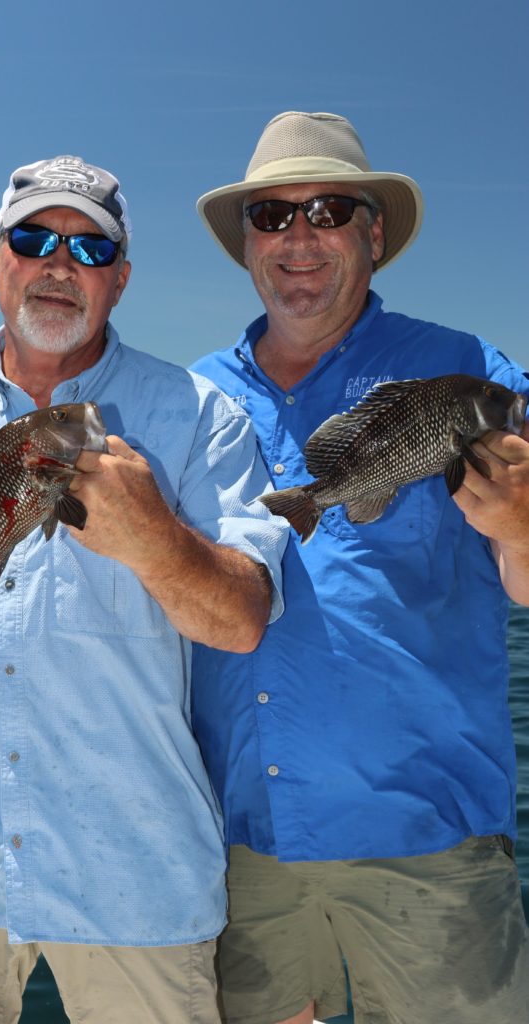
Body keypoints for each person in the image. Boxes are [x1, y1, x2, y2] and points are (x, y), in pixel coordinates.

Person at [0, 154, 289, 1024]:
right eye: (33, 238)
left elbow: (240, 621)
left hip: (137, 872)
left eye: (89, 250)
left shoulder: (197, 417)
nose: (59, 263)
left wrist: (151, 534)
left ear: (119, 280)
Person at [190, 111, 529, 1024]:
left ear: (371, 234)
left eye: (329, 209)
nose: (298, 237)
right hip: (242, 853)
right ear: (246, 244)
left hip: (430, 849)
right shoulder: (188, 396)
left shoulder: (464, 371)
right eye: (272, 216)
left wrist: (523, 520)